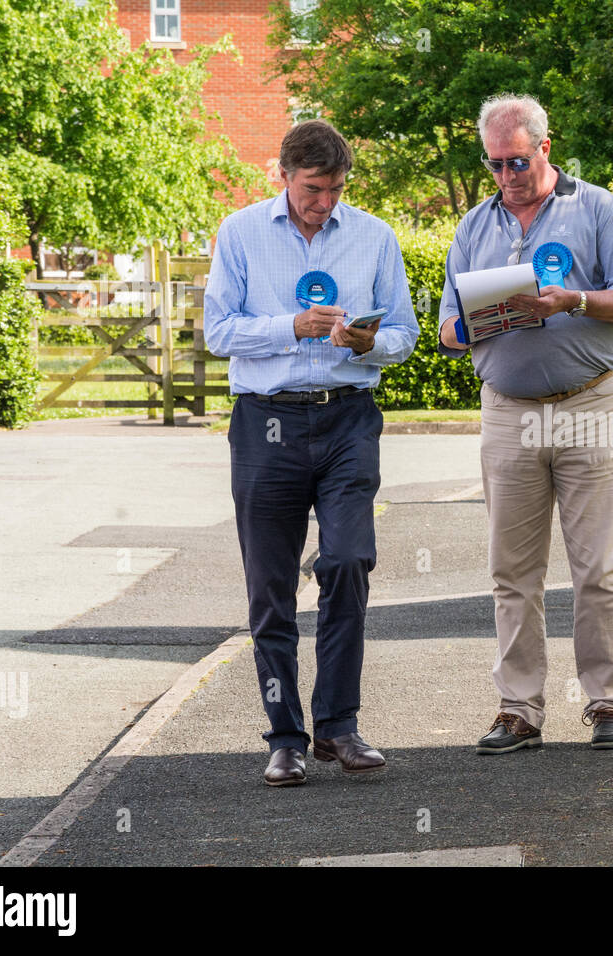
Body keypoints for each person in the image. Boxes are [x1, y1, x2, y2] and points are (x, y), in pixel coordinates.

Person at [438, 94, 613, 754]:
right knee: (512, 570)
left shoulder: (597, 209)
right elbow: (449, 329)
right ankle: (519, 709)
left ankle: (609, 703)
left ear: (546, 148)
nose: (507, 175)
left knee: (601, 566)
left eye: (517, 161)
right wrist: (492, 317)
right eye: (495, 163)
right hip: (508, 411)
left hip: (590, 402)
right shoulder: (474, 227)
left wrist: (576, 300)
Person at [205, 119, 419, 786]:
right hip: (265, 423)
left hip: (347, 419)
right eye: (312, 189)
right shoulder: (240, 234)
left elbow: (406, 333)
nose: (324, 202)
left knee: (349, 560)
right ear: (283, 175)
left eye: (334, 190)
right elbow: (217, 331)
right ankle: (286, 737)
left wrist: (366, 344)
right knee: (270, 590)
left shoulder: (375, 237)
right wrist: (288, 327)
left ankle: (339, 727)